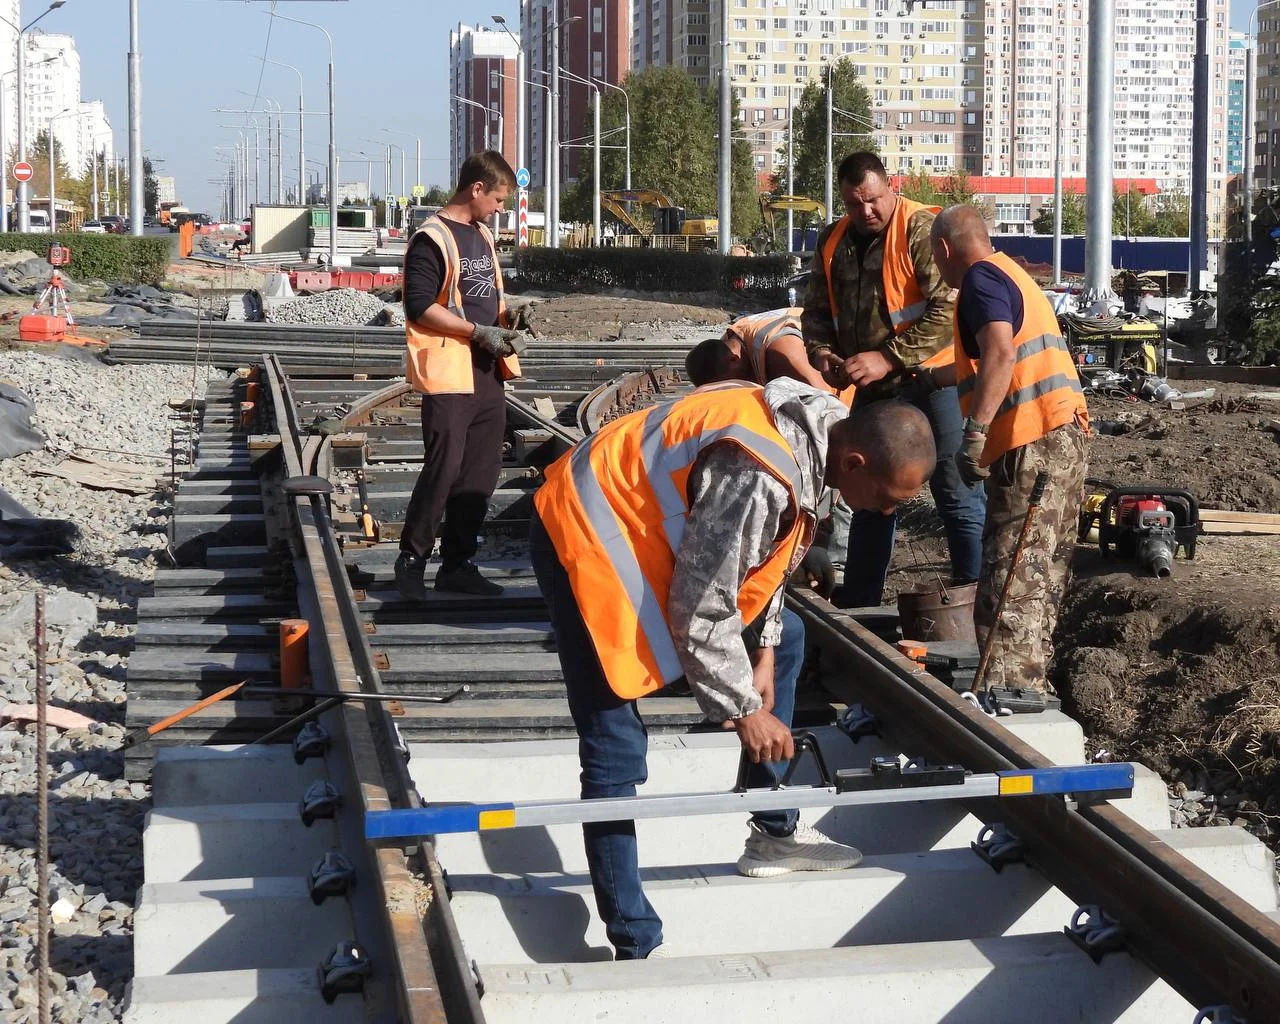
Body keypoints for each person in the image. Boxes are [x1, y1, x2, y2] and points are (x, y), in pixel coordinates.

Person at [529, 381, 937, 960]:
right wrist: (743, 709)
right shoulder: (758, 473)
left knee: (790, 637)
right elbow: (699, 607)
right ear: (855, 462)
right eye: (886, 496)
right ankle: (632, 936)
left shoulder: (818, 435)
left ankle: (771, 831)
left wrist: (763, 648)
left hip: (640, 528)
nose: (886, 511)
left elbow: (768, 554)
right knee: (614, 739)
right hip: (584, 534)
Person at [803, 151, 986, 608]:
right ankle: (862, 602)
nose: (866, 212)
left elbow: (947, 310)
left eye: (873, 200)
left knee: (955, 491)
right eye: (854, 204)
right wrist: (822, 352)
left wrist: (887, 357)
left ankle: (974, 600)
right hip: (875, 388)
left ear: (891, 188)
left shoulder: (920, 229)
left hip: (935, 380)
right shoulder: (834, 241)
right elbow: (818, 312)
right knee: (871, 494)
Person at [925, 204, 1089, 693]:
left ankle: (1008, 698)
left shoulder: (980, 280)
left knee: (1009, 582)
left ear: (943, 248)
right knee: (1041, 575)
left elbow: (1000, 351)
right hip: (1064, 436)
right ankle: (1032, 686)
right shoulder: (1012, 272)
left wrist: (974, 431)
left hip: (1031, 444)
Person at [395, 151, 527, 600]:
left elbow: (486, 300)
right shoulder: (432, 237)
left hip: (488, 373)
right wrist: (478, 331)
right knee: (444, 470)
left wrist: (511, 324)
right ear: (476, 189)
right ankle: (412, 562)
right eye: (498, 198)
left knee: (479, 475)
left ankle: (458, 565)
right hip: (451, 372)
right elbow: (418, 305)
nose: (500, 208)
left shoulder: (483, 236)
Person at [684, 307, 830, 390]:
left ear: (734, 359)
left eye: (734, 384)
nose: (736, 390)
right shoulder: (731, 341)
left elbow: (828, 403)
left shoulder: (780, 355)